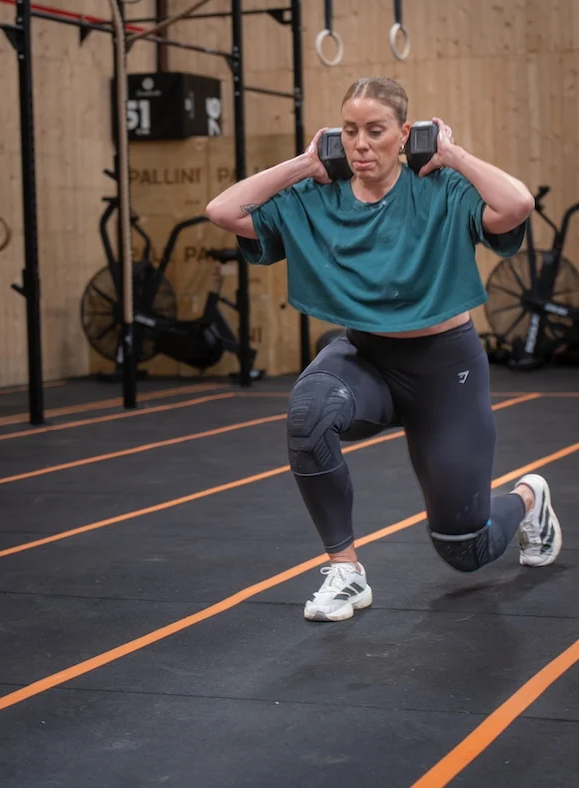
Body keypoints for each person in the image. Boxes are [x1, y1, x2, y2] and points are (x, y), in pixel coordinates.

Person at [206, 76, 563, 622]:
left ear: (405, 134)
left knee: (464, 548)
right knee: (309, 412)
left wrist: (451, 154)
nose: (361, 144)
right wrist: (304, 164)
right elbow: (223, 211)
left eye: (375, 131)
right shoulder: (318, 196)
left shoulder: (439, 188)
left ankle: (530, 500)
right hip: (367, 359)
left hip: (446, 371)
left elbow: (516, 204)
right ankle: (345, 571)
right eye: (349, 131)